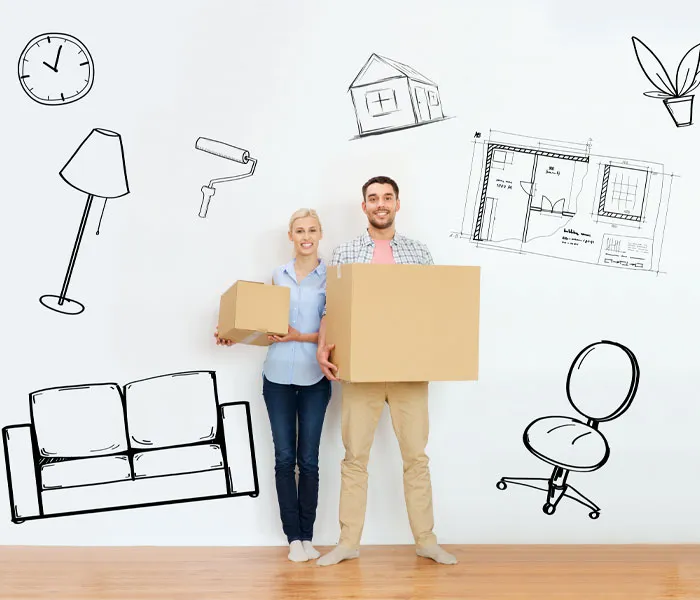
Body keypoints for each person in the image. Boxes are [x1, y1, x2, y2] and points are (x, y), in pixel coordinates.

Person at [314, 176, 458, 567]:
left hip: (409, 369)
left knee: (416, 456)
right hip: (361, 369)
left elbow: (434, 309)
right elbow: (332, 310)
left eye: (387, 198)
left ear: (397, 204)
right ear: (364, 206)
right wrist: (323, 348)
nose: (380, 204)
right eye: (373, 198)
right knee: (354, 456)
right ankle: (347, 543)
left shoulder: (419, 252)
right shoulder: (345, 252)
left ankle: (426, 541)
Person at [215, 208, 331, 563]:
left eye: (312, 230)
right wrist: (233, 334)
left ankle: (308, 536)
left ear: (320, 234)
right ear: (291, 236)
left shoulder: (333, 279)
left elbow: (335, 330)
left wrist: (301, 336)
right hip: (277, 378)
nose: (306, 236)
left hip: (315, 379)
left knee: (308, 460)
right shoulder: (276, 277)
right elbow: (262, 323)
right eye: (299, 231)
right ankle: (293, 538)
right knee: (284, 458)